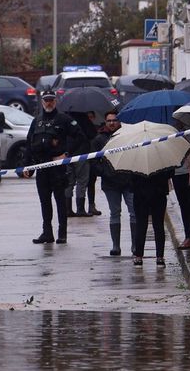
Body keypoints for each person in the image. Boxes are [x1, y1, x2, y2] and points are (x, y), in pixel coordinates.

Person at [24, 89, 81, 244]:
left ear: (55, 101)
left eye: (51, 100)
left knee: (60, 201)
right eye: (46, 100)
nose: (49, 102)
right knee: (45, 202)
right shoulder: (37, 121)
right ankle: (47, 233)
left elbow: (79, 137)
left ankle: (62, 233)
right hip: (42, 167)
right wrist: (27, 166)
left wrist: (67, 154)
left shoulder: (63, 119)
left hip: (57, 168)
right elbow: (29, 143)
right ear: (42, 102)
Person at [94, 110, 135, 256]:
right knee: (115, 213)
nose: (112, 123)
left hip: (128, 181)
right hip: (110, 183)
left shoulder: (128, 136)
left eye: (114, 120)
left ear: (119, 122)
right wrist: (104, 172)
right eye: (109, 120)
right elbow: (93, 161)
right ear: (105, 122)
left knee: (133, 213)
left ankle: (135, 246)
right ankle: (116, 246)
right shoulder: (99, 139)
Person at [131, 171, 171, 267]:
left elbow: (130, 175)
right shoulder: (161, 158)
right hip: (159, 191)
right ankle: (160, 257)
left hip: (140, 192)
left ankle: (139, 257)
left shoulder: (135, 157)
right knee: (158, 225)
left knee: (141, 224)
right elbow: (170, 173)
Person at [67, 108, 98, 217]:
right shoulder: (83, 118)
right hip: (81, 154)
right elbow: (92, 134)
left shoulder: (64, 118)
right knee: (82, 181)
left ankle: (68, 209)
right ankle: (80, 209)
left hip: (67, 155)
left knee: (69, 183)